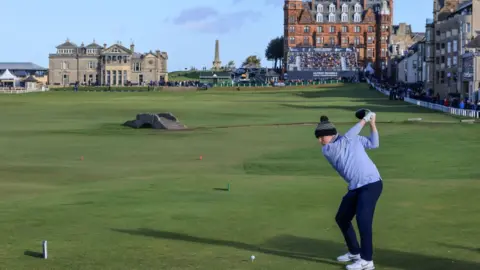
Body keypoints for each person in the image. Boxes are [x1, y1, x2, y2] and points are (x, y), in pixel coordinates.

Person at [314, 112, 383, 270]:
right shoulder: (328, 149)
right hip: (356, 186)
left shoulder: (351, 139)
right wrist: (365, 119)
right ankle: (355, 252)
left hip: (371, 183)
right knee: (342, 218)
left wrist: (372, 123)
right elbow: (348, 137)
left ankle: (367, 260)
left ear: (330, 134)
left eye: (321, 137)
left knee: (363, 220)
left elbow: (374, 144)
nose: (319, 141)